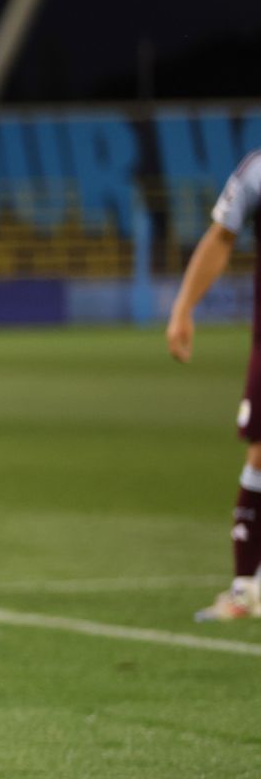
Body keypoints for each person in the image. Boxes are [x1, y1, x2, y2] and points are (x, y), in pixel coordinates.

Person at [164, 146, 261, 621]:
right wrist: (184, 307)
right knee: (260, 453)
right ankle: (247, 588)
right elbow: (222, 237)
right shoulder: (257, 170)